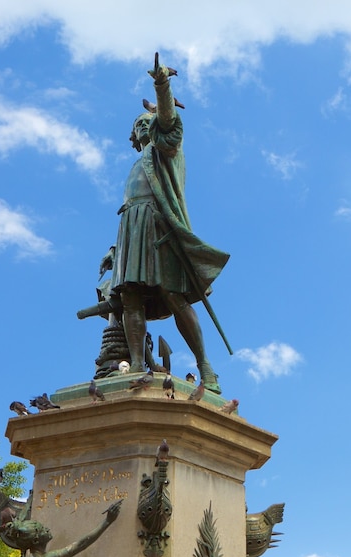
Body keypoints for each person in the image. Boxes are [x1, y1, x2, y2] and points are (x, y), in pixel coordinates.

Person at [106, 54, 229, 393]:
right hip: (132, 226)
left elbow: (168, 124)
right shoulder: (137, 165)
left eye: (148, 123)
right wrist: (116, 251)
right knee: (130, 296)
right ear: (133, 137)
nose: (144, 127)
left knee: (173, 295)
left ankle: (206, 370)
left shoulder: (165, 153)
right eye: (139, 125)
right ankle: (137, 366)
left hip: (160, 225)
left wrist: (162, 87)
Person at [16, 500, 122, 557]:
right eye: (42, 530)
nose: (47, 529)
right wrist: (107, 522)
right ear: (35, 541)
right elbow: (81, 544)